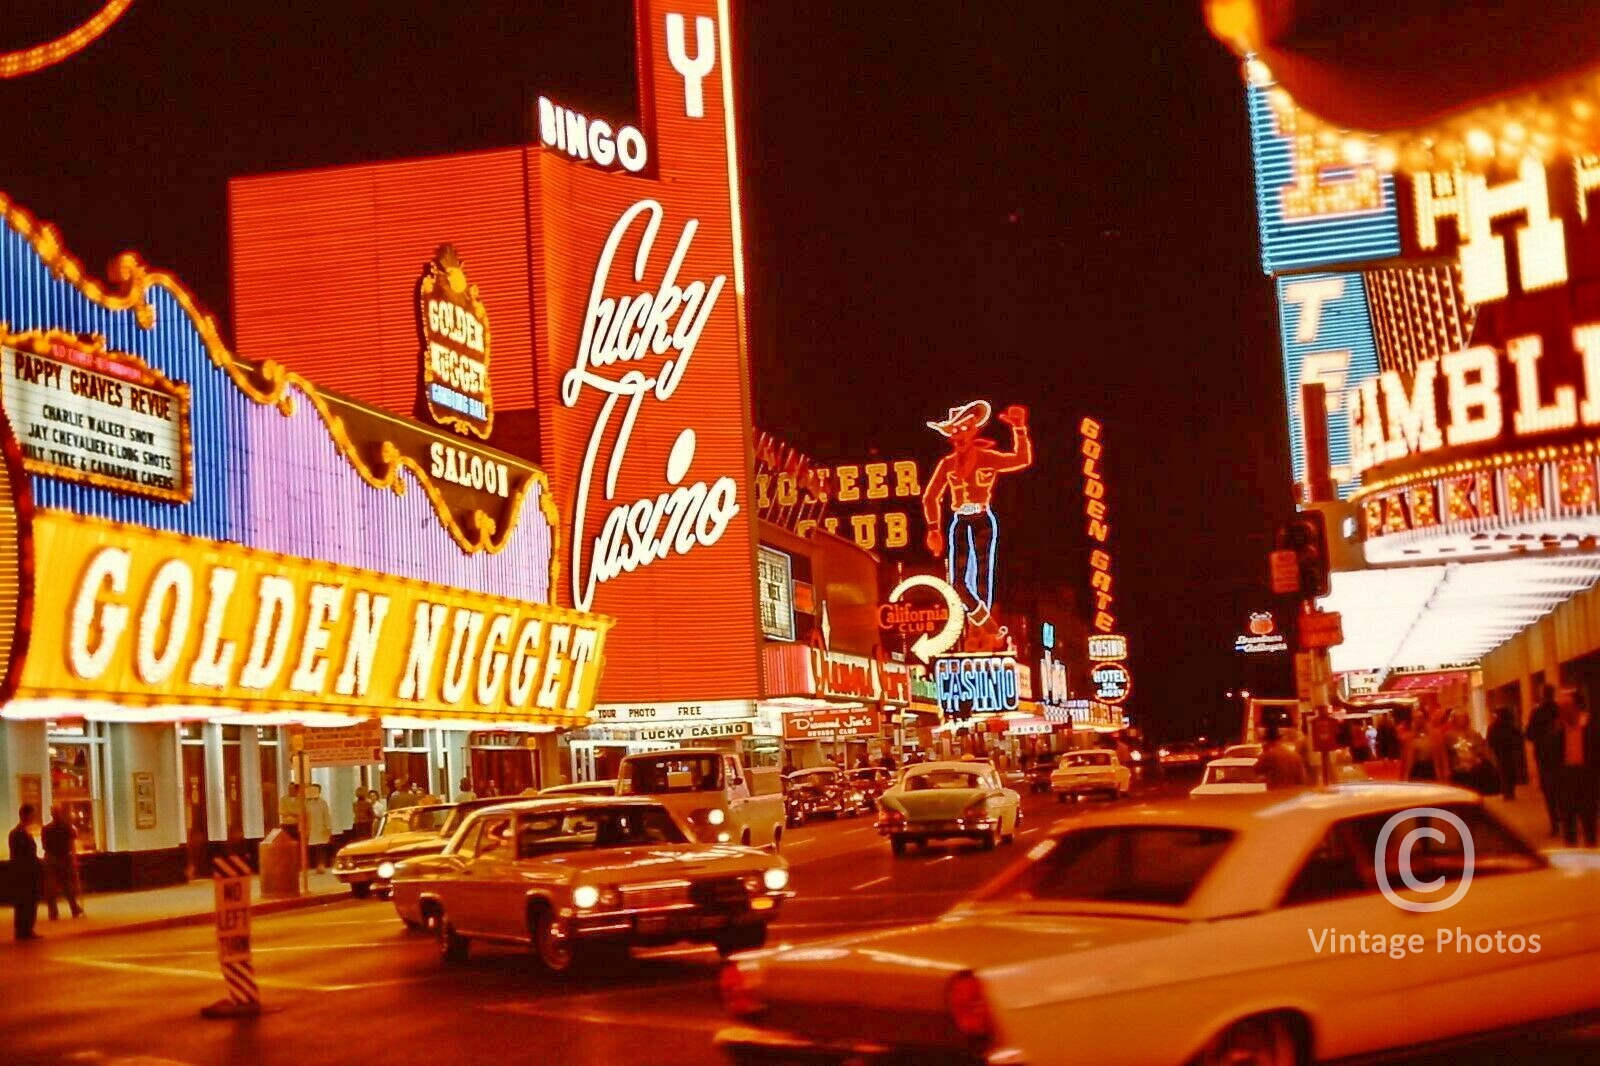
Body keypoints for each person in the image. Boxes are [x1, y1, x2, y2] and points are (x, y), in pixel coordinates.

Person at [1555, 689, 1599, 848]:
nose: (1562, 711)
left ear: (1576, 707)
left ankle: (1591, 846)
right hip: (1567, 777)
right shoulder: (1559, 730)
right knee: (1568, 819)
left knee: (1588, 818)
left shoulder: (1591, 727)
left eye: (1566, 707)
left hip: (1586, 776)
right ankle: (1572, 849)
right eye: (1560, 707)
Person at [1527, 685, 1565, 837]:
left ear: (1542, 695)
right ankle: (1565, 816)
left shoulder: (1537, 712)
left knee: (1549, 792)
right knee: (1563, 789)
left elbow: (1529, 734)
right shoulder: (1559, 710)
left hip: (1545, 758)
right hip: (1562, 756)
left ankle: (1555, 823)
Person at [41, 805, 84, 920]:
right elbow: (72, 841)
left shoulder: (46, 829)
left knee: (51, 888)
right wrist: (73, 857)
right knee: (67, 886)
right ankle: (74, 909)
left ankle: (53, 912)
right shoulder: (67, 827)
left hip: (51, 859)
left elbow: (44, 846)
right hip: (64, 858)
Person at [8, 804, 42, 940]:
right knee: (25, 902)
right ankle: (24, 930)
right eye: (32, 815)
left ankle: (26, 929)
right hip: (24, 874)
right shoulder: (18, 833)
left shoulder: (22, 832)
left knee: (27, 902)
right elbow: (22, 855)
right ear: (25, 815)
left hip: (25, 872)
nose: (33, 818)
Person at [1487, 707, 1525, 800]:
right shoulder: (1511, 726)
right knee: (1510, 772)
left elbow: (1491, 740)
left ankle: (1507, 792)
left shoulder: (1494, 727)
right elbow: (1518, 738)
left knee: (1504, 772)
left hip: (1500, 752)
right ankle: (1510, 791)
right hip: (1510, 752)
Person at [304, 783, 333, 873]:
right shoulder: (305, 803)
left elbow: (326, 815)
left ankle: (321, 865)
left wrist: (328, 827)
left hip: (320, 828)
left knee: (321, 848)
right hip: (309, 829)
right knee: (310, 849)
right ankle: (310, 866)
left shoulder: (322, 802)